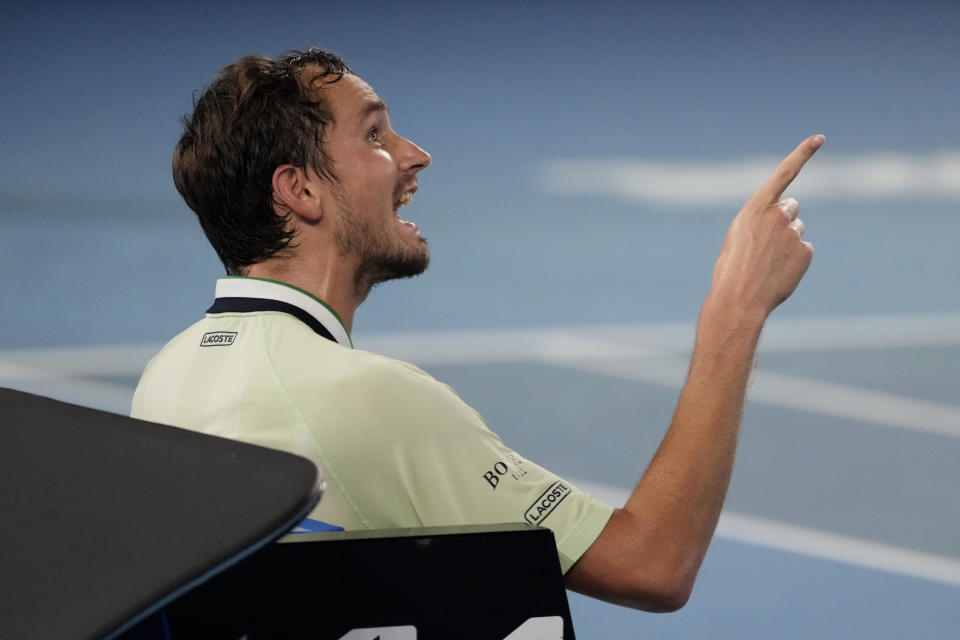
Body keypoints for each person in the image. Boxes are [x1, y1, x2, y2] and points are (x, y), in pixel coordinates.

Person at [131, 48, 822, 612]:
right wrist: (737, 308)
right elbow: (653, 563)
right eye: (374, 135)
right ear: (300, 191)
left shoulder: (166, 377)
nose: (416, 154)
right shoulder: (371, 400)